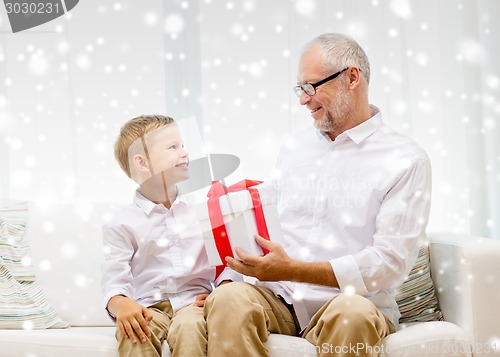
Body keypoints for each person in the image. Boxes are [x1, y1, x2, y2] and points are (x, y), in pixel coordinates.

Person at [204, 33, 432, 356]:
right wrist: (231, 276)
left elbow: (388, 263)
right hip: (280, 298)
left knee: (353, 314)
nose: (303, 100)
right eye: (300, 89)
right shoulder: (295, 147)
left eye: (311, 87)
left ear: (352, 78)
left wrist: (293, 269)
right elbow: (269, 227)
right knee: (228, 299)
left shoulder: (406, 160)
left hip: (350, 302)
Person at [101, 115, 240, 357]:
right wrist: (121, 304)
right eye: (173, 147)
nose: (185, 153)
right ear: (143, 163)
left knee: (191, 329)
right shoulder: (121, 223)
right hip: (148, 308)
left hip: (193, 304)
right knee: (133, 333)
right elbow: (114, 282)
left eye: (183, 145)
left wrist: (223, 289)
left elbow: (228, 261)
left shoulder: (204, 209)